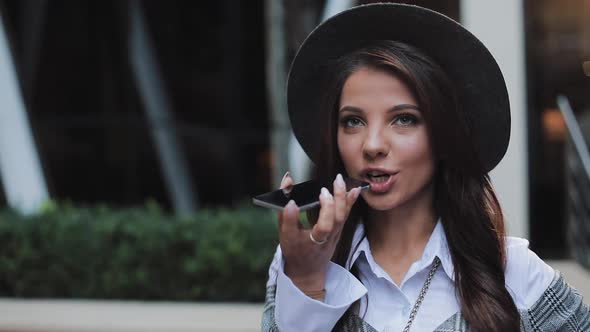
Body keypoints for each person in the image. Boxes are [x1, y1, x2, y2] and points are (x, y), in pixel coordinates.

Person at [261, 3, 589, 332]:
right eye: (353, 121)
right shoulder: (299, 263)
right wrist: (307, 282)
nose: (372, 144)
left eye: (404, 119)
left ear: (442, 134)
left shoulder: (513, 270)